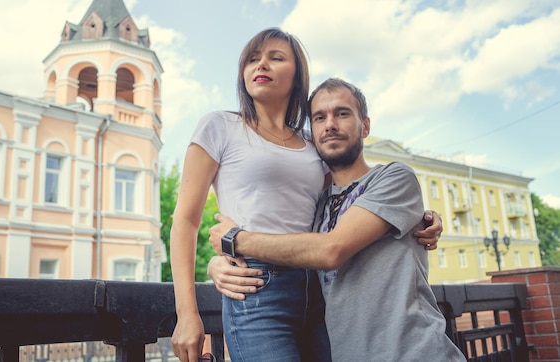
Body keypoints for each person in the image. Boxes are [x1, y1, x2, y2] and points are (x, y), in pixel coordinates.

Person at [170, 27, 442, 362]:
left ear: (297, 75)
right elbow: (185, 220)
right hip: (256, 285)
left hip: (319, 289)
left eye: (276, 58)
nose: (262, 65)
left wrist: (423, 217)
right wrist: (188, 312)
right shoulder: (219, 126)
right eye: (253, 59)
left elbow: (345, 201)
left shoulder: (312, 139)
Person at [208, 78, 466, 361]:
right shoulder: (316, 206)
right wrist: (219, 264)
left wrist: (236, 240)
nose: (330, 124)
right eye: (319, 117)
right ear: (312, 132)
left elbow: (331, 250)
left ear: (365, 126)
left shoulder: (394, 177)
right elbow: (287, 242)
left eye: (342, 113)